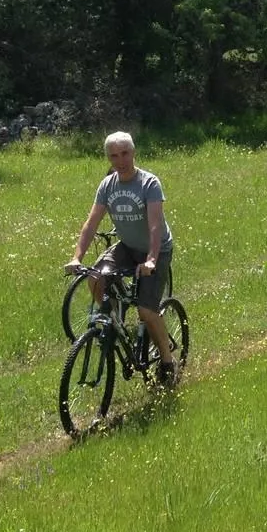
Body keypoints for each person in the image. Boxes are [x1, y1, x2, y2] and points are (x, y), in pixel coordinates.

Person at [65, 131, 180, 381]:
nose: (120, 161)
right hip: (128, 246)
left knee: (146, 311)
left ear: (133, 152)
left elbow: (155, 226)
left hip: (156, 249)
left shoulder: (149, 183)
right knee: (95, 278)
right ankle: (117, 323)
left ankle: (167, 362)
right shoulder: (108, 185)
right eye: (114, 156)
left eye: (125, 153)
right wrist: (77, 257)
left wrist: (151, 259)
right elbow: (91, 223)